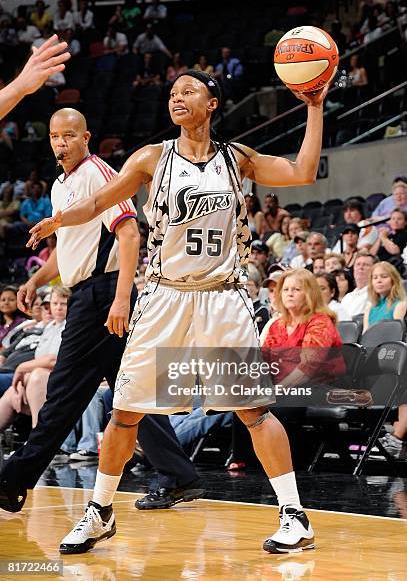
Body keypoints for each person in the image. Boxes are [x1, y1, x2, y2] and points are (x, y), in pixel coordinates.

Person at [27, 70, 329, 555]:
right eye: (172, 93)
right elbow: (100, 201)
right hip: (165, 296)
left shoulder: (238, 160)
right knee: (125, 412)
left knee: (252, 410)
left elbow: (303, 171)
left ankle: (294, 515)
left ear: (212, 104)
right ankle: (100, 512)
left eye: (188, 91)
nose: (177, 98)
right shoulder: (152, 158)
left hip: (223, 296)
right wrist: (59, 220)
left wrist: (314, 107)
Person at [0, 108, 202, 516]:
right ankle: (180, 476)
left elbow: (129, 235)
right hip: (87, 293)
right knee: (131, 394)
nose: (61, 143)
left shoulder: (99, 173)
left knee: (62, 394)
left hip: (102, 296)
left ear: (86, 137)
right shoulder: (61, 186)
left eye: (69, 136)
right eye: (55, 136)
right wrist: (36, 281)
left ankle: (12, 481)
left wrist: (121, 298)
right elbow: (69, 251)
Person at [0, 286, 69, 431]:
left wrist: (21, 369)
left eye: (63, 304)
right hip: (36, 378)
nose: (58, 308)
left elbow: (53, 361)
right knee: (13, 392)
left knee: (37, 376)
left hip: (62, 378)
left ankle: (37, 436)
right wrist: (21, 381)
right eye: (55, 304)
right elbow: (40, 358)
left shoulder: (70, 326)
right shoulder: (50, 327)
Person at [262, 269, 344, 386]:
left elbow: (308, 368)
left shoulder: (320, 322)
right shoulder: (277, 325)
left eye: (297, 289)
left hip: (318, 392)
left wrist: (275, 392)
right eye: (285, 289)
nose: (289, 293)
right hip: (283, 392)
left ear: (310, 294)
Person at [0, 34, 70, 121]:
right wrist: (20, 87)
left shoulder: (53, 69)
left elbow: (62, 81)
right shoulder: (22, 69)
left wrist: (20, 87)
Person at [363, 261, 407, 331]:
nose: (379, 280)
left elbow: (397, 334)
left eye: (384, 276)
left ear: (393, 280)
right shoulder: (369, 309)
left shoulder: (400, 304)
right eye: (375, 277)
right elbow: (364, 337)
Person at [340, 252, 376, 317]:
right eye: (358, 264)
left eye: (366, 265)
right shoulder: (347, 297)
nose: (360, 267)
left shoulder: (374, 294)